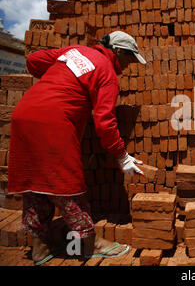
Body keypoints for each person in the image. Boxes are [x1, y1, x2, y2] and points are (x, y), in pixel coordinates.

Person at [8, 31, 146, 265]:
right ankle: (89, 242)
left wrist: (61, 76)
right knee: (67, 181)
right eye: (129, 59)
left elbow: (33, 61)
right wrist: (122, 156)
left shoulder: (74, 51)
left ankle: (39, 248)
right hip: (53, 121)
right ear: (118, 51)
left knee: (35, 183)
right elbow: (105, 123)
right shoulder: (108, 74)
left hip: (24, 114)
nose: (127, 66)